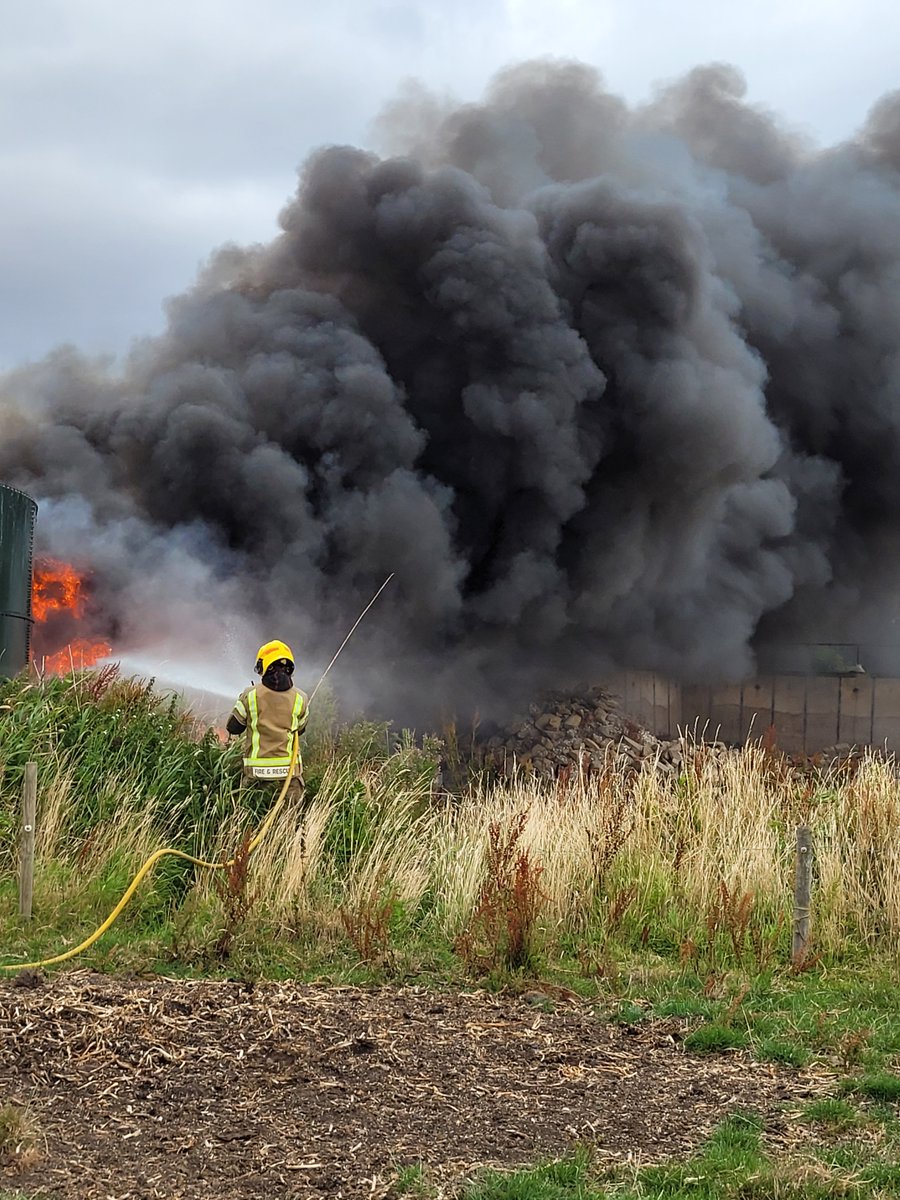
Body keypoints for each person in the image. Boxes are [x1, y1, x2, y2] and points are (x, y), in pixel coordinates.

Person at [227, 640, 309, 796]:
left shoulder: (250, 695)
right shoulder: (301, 698)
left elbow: (233, 727)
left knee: (251, 819)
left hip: (256, 779)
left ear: (263, 666)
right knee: (289, 820)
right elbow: (300, 730)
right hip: (289, 780)